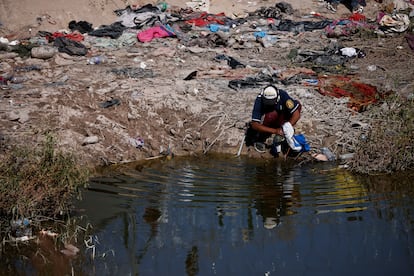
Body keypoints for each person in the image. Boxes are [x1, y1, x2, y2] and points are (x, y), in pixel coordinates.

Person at [246, 84, 302, 154]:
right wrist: (275, 131)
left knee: (297, 105)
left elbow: (296, 114)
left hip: (284, 115)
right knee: (271, 115)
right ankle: (262, 137)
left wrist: (287, 127)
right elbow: (255, 124)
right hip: (272, 120)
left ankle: (284, 129)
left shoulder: (283, 95)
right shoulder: (259, 99)